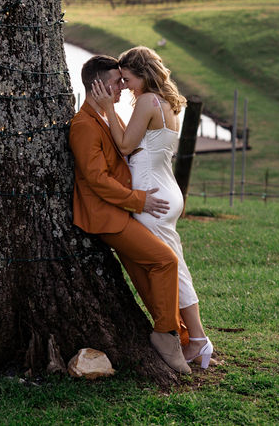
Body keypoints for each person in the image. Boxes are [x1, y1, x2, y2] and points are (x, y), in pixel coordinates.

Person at [90, 46, 214, 369]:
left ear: (142, 74)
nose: (126, 86)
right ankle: (197, 339)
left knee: (165, 266)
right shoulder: (168, 102)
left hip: (151, 197)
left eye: (127, 79)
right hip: (167, 191)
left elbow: (126, 145)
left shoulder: (146, 102)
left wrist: (105, 107)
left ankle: (191, 338)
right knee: (178, 266)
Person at [70, 55, 192, 374]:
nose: (122, 88)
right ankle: (166, 336)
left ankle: (180, 334)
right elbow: (96, 179)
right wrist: (138, 200)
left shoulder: (112, 118)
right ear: (95, 85)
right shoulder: (83, 124)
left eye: (124, 81)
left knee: (146, 272)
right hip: (107, 216)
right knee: (165, 261)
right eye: (115, 82)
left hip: (122, 209)